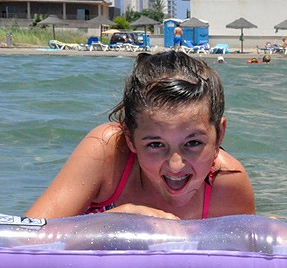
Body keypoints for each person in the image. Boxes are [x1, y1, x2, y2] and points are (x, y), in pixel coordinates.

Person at [27, 51, 255, 220]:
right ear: (129, 137)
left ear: (220, 134)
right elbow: (25, 237)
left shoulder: (227, 184)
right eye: (155, 144)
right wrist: (111, 222)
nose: (175, 165)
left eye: (193, 142)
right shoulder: (107, 152)